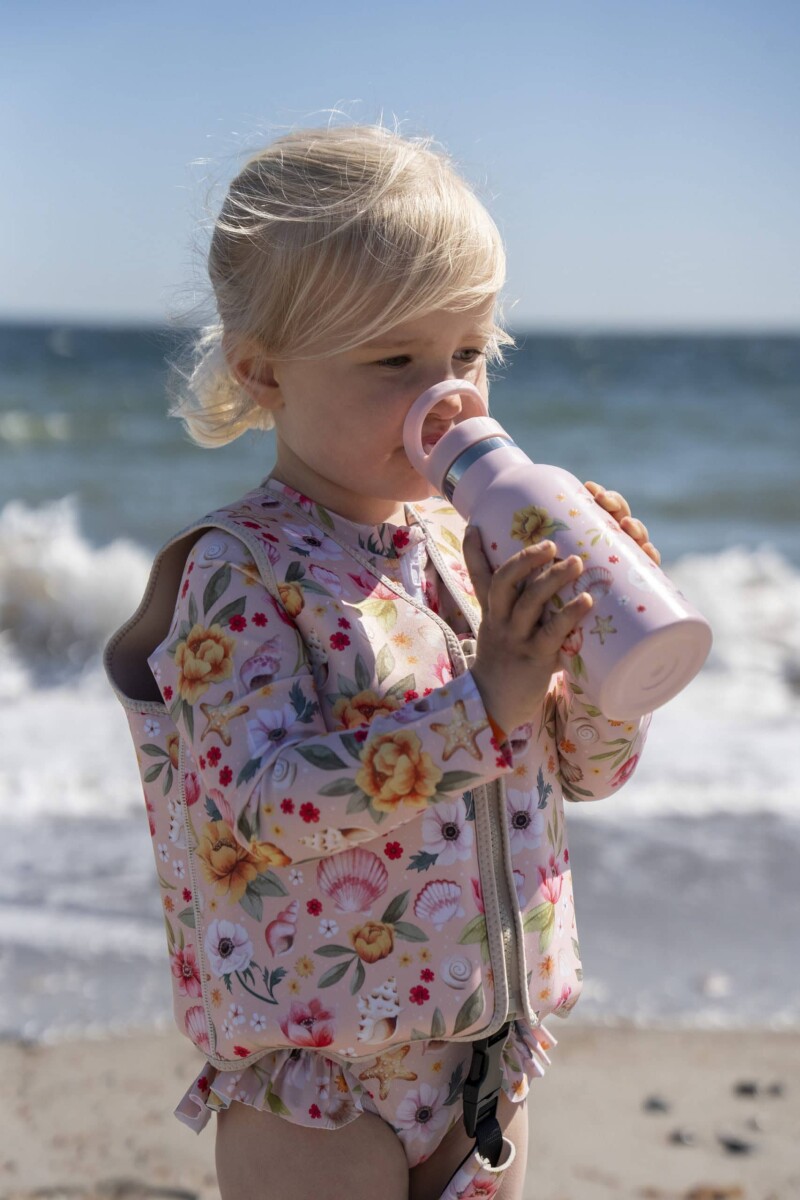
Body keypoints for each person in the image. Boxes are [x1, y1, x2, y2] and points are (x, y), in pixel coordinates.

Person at [104, 123, 660, 1200]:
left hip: (486, 1058)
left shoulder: (473, 551)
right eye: (393, 360)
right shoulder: (242, 572)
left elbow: (584, 771)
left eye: (465, 354)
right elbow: (260, 807)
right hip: (317, 1079)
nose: (443, 397)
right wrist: (485, 698)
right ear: (262, 370)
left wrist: (603, 659)